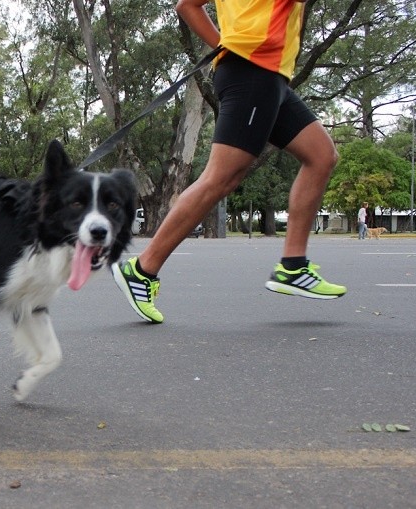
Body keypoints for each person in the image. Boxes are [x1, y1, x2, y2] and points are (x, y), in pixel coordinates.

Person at [112, 0, 346, 324]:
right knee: (220, 178)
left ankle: (293, 266)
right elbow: (187, 5)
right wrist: (225, 44)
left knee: (321, 156)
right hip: (252, 72)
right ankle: (142, 268)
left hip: (271, 76)